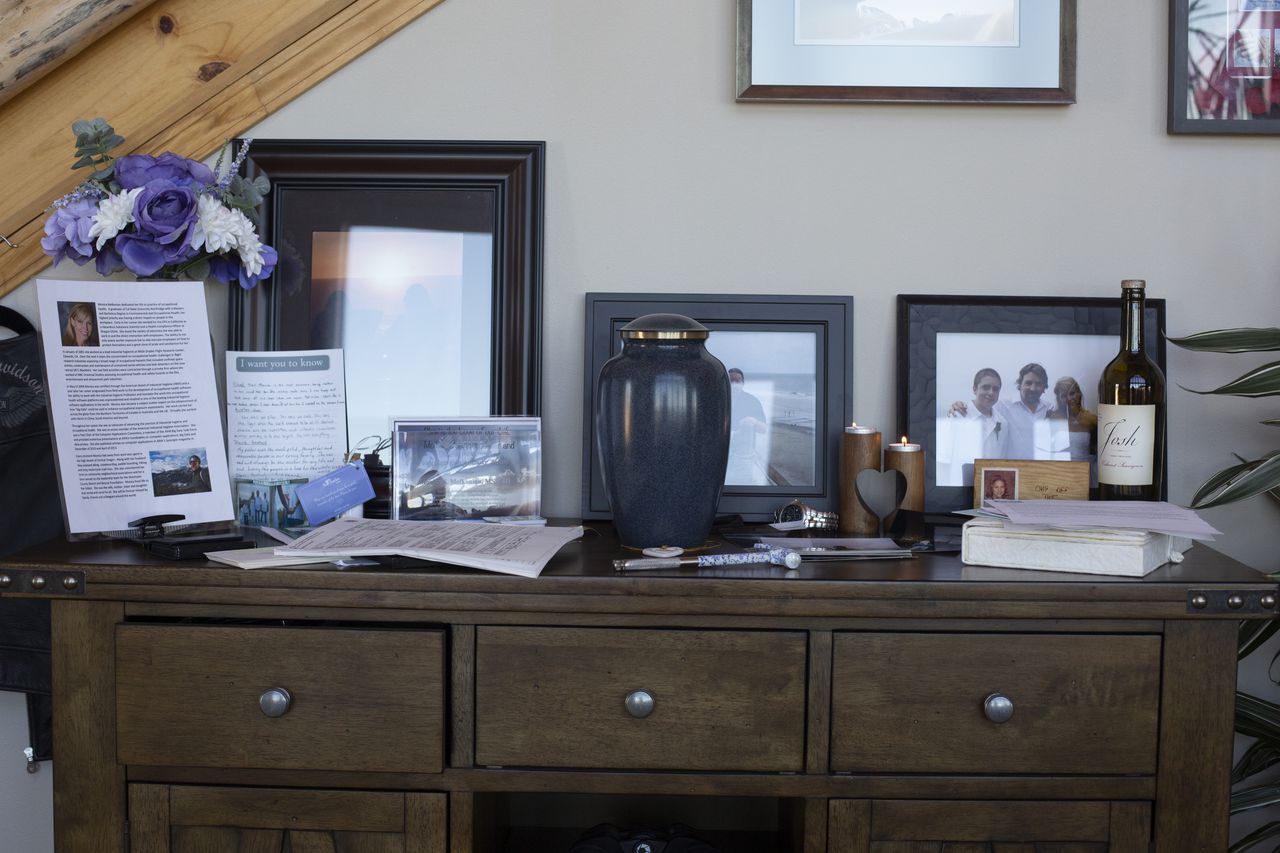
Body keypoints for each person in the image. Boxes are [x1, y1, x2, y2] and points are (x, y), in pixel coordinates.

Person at [951, 363, 1065, 460]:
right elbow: (982, 406)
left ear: (1044, 388)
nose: (1033, 388)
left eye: (1038, 384)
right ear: (1020, 385)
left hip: (1041, 472)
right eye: (1028, 383)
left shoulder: (1050, 409)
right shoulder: (1002, 406)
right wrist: (957, 406)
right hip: (1012, 472)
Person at [938, 368, 1008, 486]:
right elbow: (943, 460)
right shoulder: (957, 415)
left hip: (988, 488)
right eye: (986, 387)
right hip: (958, 485)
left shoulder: (1003, 423)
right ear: (974, 389)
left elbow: (1000, 461)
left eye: (995, 389)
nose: (991, 392)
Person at [725, 368, 770, 485]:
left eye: (738, 381)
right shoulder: (718, 400)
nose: (735, 384)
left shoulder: (752, 401)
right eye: (731, 381)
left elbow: (764, 429)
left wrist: (754, 421)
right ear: (725, 382)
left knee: (742, 489)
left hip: (743, 458)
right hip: (721, 456)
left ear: (743, 383)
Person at [1051, 376, 1097, 462]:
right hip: (1058, 470)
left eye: (1072, 393)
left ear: (1079, 393)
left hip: (1082, 470)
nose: (1069, 398)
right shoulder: (1052, 418)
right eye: (1064, 396)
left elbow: (1096, 452)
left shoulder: (1092, 420)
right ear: (1059, 399)